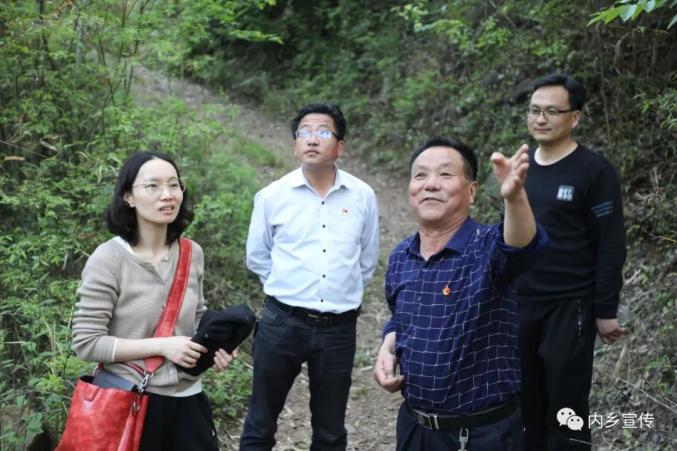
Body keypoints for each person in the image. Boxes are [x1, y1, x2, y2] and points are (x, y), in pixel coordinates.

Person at [373, 137, 548, 451]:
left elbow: (522, 246)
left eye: (445, 174)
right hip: (414, 427)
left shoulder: (488, 247)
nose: (430, 184)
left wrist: (515, 198)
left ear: (471, 192)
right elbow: (400, 319)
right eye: (420, 175)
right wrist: (388, 345)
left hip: (478, 434)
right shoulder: (401, 256)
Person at [72, 151, 237, 450]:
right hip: (128, 401)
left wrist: (216, 345)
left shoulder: (191, 253)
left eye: (174, 185)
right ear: (128, 197)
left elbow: (195, 316)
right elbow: (87, 342)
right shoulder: (108, 259)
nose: (167, 194)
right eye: (153, 186)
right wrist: (162, 346)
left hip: (188, 402)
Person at [241, 103, 380, 451]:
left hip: (338, 328)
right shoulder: (272, 196)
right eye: (304, 132)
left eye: (323, 132)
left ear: (340, 146)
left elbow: (366, 260)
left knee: (330, 430)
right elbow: (257, 256)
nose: (312, 139)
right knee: (260, 423)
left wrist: (338, 291)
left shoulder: (362, 196)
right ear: (295, 144)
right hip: (281, 321)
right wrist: (288, 287)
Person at [516, 73, 627, 450]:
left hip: (570, 305)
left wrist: (605, 308)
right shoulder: (521, 166)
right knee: (524, 405)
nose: (540, 119)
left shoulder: (594, 171)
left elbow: (611, 242)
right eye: (534, 110)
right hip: (520, 303)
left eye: (552, 111)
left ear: (574, 117)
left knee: (566, 408)